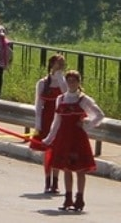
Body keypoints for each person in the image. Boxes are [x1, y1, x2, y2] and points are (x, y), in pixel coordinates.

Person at [41, 69, 105, 212]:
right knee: (66, 169)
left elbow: (99, 115)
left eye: (74, 81)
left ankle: (80, 198)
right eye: (69, 81)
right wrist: (49, 139)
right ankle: (68, 198)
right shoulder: (61, 99)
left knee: (80, 170)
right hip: (64, 138)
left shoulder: (83, 99)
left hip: (78, 138)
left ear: (78, 82)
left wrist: (87, 123)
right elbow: (56, 122)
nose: (71, 84)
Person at [34, 54, 67, 194]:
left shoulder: (63, 81)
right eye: (58, 63)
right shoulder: (43, 83)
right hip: (47, 118)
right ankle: (47, 180)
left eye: (62, 64)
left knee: (58, 150)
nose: (60, 66)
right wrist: (38, 124)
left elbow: (66, 92)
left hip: (60, 119)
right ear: (52, 64)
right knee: (48, 152)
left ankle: (55, 182)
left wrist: (59, 76)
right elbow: (38, 105)